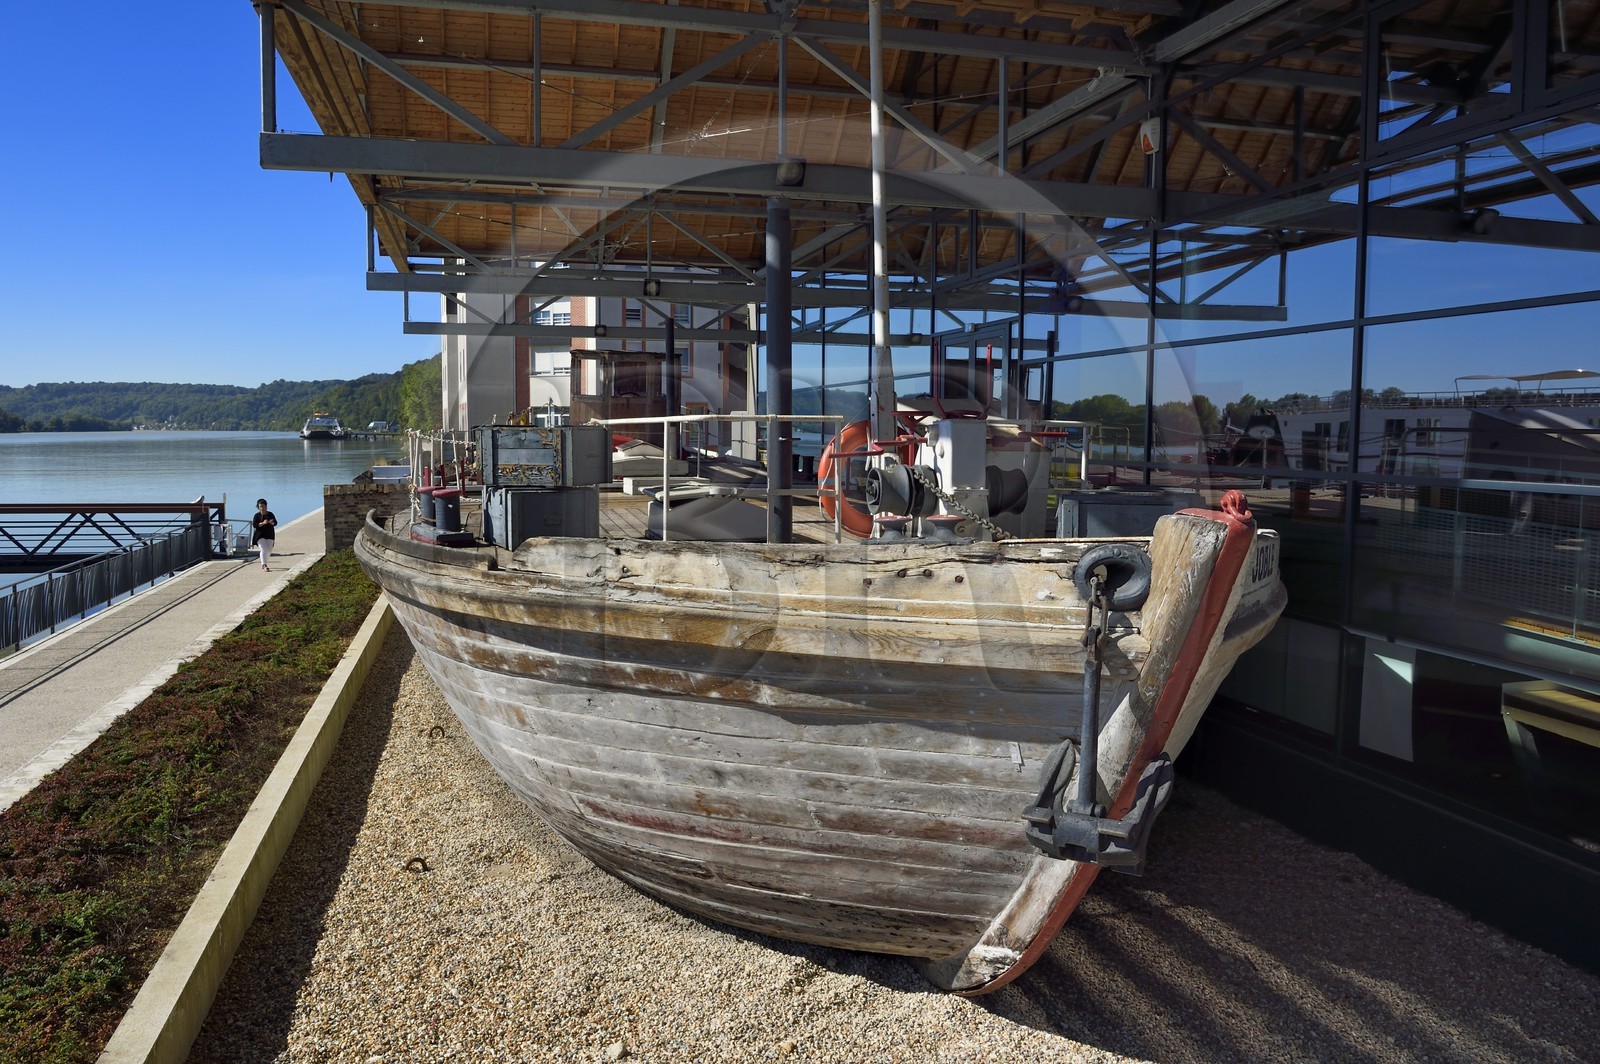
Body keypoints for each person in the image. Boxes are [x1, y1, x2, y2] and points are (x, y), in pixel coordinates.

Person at [251, 498, 278, 571]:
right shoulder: (257, 515)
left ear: (266, 506)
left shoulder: (270, 514)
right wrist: (262, 523)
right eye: (260, 507)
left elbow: (275, 522)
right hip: (260, 535)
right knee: (263, 549)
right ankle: (264, 564)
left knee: (269, 550)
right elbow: (254, 525)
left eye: (263, 506)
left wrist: (271, 522)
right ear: (258, 507)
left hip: (269, 534)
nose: (262, 508)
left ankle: (265, 562)